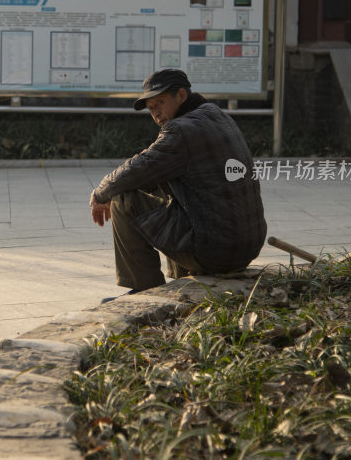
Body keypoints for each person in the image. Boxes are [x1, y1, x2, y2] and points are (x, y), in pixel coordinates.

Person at [89, 69, 266, 294]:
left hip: (216, 253)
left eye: (160, 103)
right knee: (167, 188)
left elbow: (137, 169)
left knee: (124, 198)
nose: (157, 114)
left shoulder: (180, 130)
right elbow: (150, 169)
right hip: (247, 247)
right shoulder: (216, 115)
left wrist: (100, 193)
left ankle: (144, 289)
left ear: (181, 95)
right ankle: (183, 278)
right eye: (151, 108)